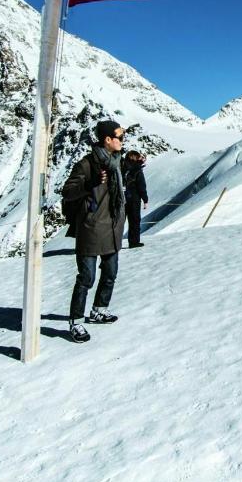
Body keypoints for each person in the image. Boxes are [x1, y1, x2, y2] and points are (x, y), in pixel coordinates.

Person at [60, 119, 128, 344]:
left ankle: (99, 309)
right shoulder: (87, 164)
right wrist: (89, 184)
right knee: (86, 278)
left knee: (110, 274)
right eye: (120, 137)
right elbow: (68, 191)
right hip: (91, 229)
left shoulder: (117, 162)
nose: (122, 140)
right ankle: (76, 321)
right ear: (108, 140)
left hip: (112, 227)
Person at [122, 150, 149, 248]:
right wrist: (145, 200)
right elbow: (141, 186)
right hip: (134, 199)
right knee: (134, 220)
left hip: (122, 198)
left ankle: (113, 243)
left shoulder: (123, 168)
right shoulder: (137, 170)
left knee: (120, 222)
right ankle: (134, 242)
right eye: (140, 157)